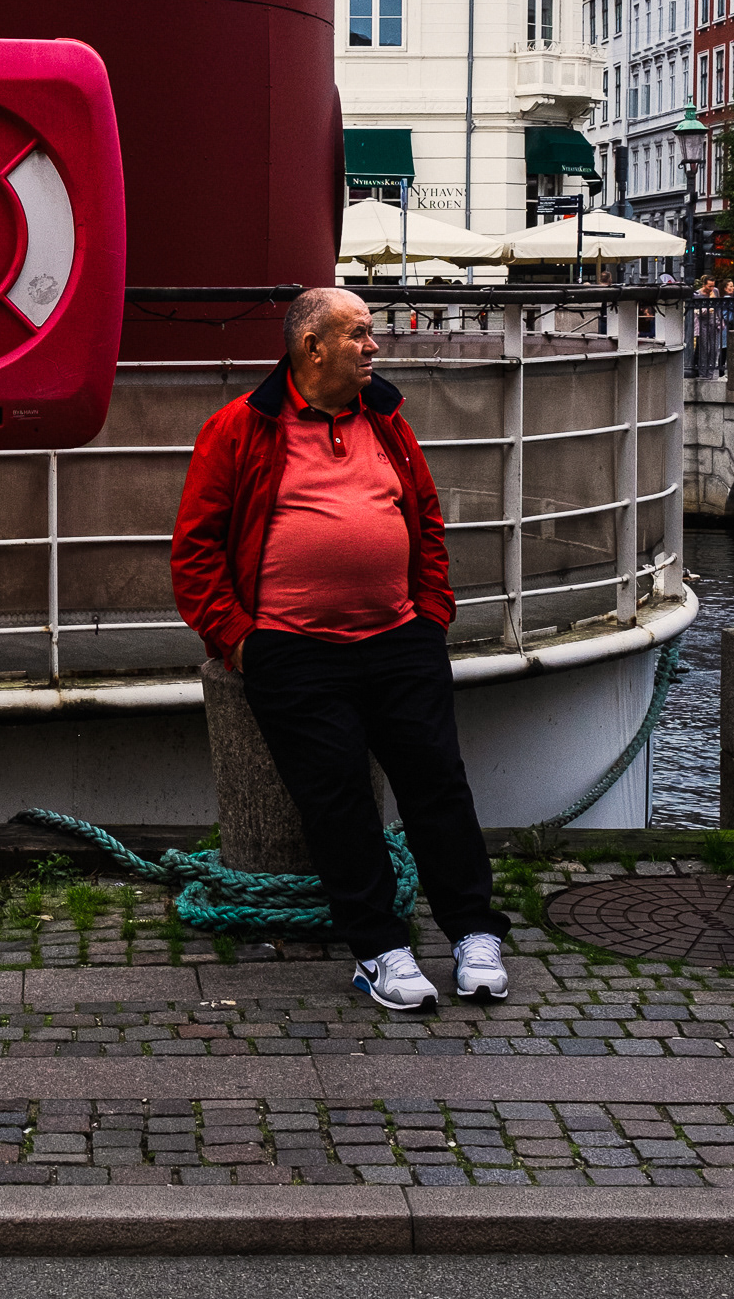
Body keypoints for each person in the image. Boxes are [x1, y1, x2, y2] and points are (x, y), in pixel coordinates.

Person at [171, 285, 510, 1012]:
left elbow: (425, 518)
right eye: (358, 333)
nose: (373, 345)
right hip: (293, 650)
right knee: (337, 800)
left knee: (438, 785)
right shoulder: (240, 428)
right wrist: (241, 641)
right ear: (312, 347)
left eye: (370, 331)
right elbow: (195, 551)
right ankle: (380, 950)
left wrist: (431, 616)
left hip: (399, 638)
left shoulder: (386, 420)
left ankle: (473, 932)